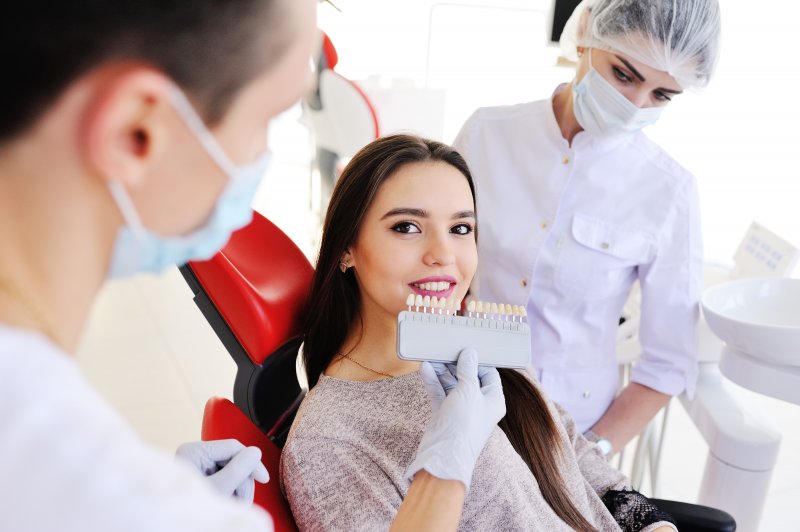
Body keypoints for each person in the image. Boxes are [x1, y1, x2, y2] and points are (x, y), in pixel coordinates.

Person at [0, 3, 497, 531]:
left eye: (461, 227)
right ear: (135, 131)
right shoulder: (107, 490)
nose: (260, 158)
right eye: (267, 118)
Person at [280, 133, 677, 531]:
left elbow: (572, 451)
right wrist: (449, 454)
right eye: (406, 226)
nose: (443, 254)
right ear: (347, 247)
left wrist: (654, 525)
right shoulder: (327, 440)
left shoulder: (477, 347)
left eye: (460, 228)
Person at [452, 0, 722, 454]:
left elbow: (668, 364)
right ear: (586, 34)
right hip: (460, 400)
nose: (635, 106)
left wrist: (589, 452)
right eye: (624, 74)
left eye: (661, 95)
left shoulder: (668, 192)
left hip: (572, 427)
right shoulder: (487, 134)